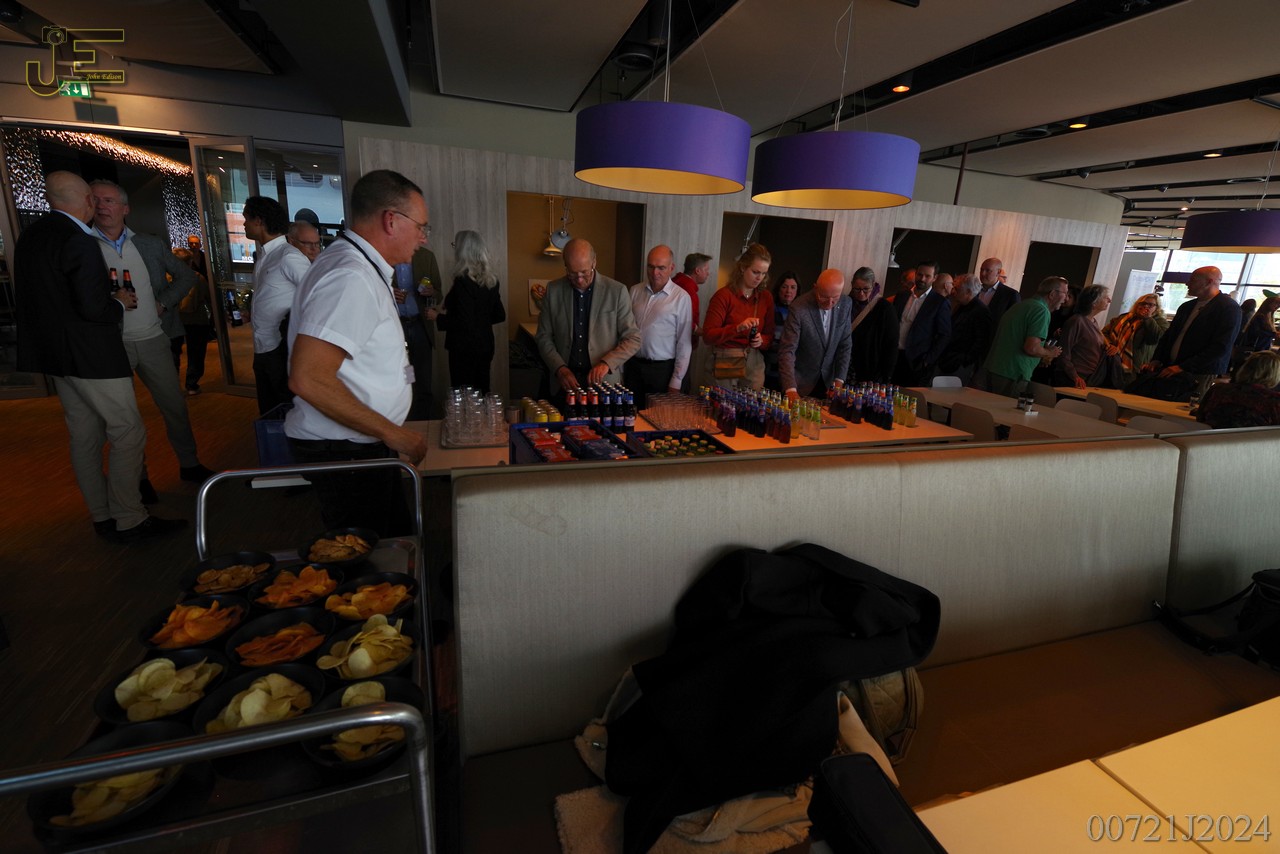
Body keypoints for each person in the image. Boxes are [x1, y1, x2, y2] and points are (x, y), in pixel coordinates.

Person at [14, 171, 183, 541]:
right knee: (128, 431)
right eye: (95, 198)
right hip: (92, 356)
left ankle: (102, 515)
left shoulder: (31, 235)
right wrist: (119, 302)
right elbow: (95, 309)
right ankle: (130, 517)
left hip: (57, 357)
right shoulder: (79, 240)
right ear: (87, 202)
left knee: (85, 436)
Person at [285, 169, 430, 536]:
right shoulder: (350, 276)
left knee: (394, 543)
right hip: (346, 450)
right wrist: (394, 434)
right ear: (391, 221)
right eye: (420, 226)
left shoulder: (357, 265)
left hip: (360, 444)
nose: (423, 238)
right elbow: (308, 378)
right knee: (370, 558)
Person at [89, 179, 214, 489]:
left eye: (108, 200)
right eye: (96, 200)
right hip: (111, 343)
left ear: (125, 208)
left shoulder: (149, 244)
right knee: (124, 418)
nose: (102, 206)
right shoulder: (83, 247)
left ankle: (189, 464)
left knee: (174, 406)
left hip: (153, 338)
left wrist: (164, 303)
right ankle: (139, 478)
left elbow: (187, 276)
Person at [535, 238, 641, 401]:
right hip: (564, 383)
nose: (579, 279)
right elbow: (543, 337)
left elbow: (633, 339)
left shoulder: (617, 291)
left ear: (594, 262)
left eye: (584, 272)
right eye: (572, 273)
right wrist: (559, 368)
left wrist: (607, 363)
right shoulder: (553, 290)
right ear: (565, 266)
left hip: (604, 385)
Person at [244, 195, 309, 415]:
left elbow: (316, 296)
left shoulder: (288, 256)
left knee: (285, 411)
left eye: (246, 218)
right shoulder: (265, 256)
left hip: (280, 349)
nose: (243, 224)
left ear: (258, 221)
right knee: (268, 411)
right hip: (262, 347)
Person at [428, 229, 506, 394]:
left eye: (455, 245)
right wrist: (480, 321)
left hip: (463, 348)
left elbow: (464, 322)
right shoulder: (491, 280)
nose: (454, 249)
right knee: (482, 392)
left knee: (463, 395)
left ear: (462, 250)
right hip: (485, 345)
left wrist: (437, 317)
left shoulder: (462, 281)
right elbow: (499, 315)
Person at [1141, 266, 1240, 396]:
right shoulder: (1187, 306)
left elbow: (1221, 346)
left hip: (1199, 372)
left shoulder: (1228, 308)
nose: (1187, 283)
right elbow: (1169, 336)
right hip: (1171, 368)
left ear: (1209, 282)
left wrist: (1183, 367)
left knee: (1186, 405)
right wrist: (1157, 359)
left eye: (1193, 280)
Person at [624, 245, 693, 408]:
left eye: (661, 268)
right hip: (633, 367)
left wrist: (676, 380)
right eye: (651, 267)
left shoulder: (681, 298)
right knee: (630, 415)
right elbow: (624, 331)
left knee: (656, 418)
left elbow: (684, 343)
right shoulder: (635, 291)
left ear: (671, 268)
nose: (655, 273)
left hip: (662, 371)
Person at [980, 275, 1068, 398]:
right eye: (1065, 293)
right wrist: (1049, 353)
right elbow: (1031, 348)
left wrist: (1041, 352)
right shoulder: (1041, 311)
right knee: (1005, 410)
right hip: (1013, 374)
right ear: (1052, 294)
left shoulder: (1021, 305)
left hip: (993, 368)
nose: (1066, 299)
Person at [703, 243, 775, 390]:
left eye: (764, 273)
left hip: (754, 360)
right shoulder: (724, 296)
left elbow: (770, 336)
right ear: (742, 268)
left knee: (753, 403)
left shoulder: (765, 297)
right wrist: (736, 328)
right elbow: (708, 336)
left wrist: (761, 341)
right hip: (727, 357)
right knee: (725, 403)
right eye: (755, 272)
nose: (759, 278)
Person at [779, 269, 852, 402]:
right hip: (800, 383)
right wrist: (790, 389)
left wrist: (839, 380)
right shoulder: (798, 307)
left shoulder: (846, 304)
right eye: (824, 297)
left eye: (835, 298)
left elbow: (845, 345)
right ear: (815, 288)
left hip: (829, 383)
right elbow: (787, 350)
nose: (829, 303)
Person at [892, 261, 951, 386]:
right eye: (920, 274)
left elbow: (944, 335)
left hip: (917, 361)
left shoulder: (939, 303)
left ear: (934, 278)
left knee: (909, 396)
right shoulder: (902, 296)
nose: (922, 279)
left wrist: (928, 360)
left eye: (927, 276)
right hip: (894, 355)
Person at [401, 245, 442, 416]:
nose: (423, 237)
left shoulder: (427, 256)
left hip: (420, 325)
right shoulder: (388, 256)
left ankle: (423, 419)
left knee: (423, 376)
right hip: (398, 326)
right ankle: (406, 416)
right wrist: (389, 293)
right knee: (405, 374)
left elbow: (439, 293)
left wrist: (432, 292)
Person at [1053, 284, 1118, 389]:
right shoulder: (1076, 321)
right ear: (1094, 303)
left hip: (1087, 379)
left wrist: (1111, 348)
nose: (1109, 300)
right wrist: (1074, 376)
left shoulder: (1093, 321)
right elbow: (1064, 352)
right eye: (1105, 298)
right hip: (1073, 379)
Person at [1196, 351, 1280, 429]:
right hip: (1249, 439)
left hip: (1210, 437)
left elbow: (1200, 418)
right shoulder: (1274, 401)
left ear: (1244, 368)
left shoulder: (1218, 389)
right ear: (1275, 375)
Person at [171, 246, 215, 396]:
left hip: (174, 320)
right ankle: (192, 384)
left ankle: (173, 385)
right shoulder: (197, 278)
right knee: (196, 352)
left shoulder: (166, 279)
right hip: (197, 320)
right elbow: (209, 298)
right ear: (189, 262)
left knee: (173, 352)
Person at [1101, 293, 1168, 388]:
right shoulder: (1124, 318)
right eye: (1143, 303)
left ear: (1156, 308)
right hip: (1112, 360)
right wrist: (1111, 344)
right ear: (1137, 304)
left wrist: (1148, 319)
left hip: (1135, 366)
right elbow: (1104, 333)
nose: (1146, 306)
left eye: (1150, 305)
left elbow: (1155, 339)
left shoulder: (1160, 322)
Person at [937, 273, 992, 385]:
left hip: (960, 364)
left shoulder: (981, 311)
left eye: (957, 289)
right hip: (949, 360)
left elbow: (981, 342)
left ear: (968, 292)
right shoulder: (961, 305)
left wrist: (964, 361)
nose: (953, 291)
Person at [846, 266, 898, 384]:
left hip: (871, 368)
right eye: (857, 289)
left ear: (873, 285)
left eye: (866, 289)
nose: (861, 293)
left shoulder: (885, 308)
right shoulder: (846, 303)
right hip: (847, 363)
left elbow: (891, 344)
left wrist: (886, 375)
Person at [764, 271, 798, 391]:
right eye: (784, 287)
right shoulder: (770, 309)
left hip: (792, 371)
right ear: (778, 289)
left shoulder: (800, 312)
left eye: (793, 287)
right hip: (769, 365)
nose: (788, 291)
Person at [671, 252, 709, 348]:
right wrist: (707, 333)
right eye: (706, 270)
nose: (708, 273)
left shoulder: (675, 282)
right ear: (697, 271)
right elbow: (686, 323)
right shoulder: (688, 290)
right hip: (679, 345)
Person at [976, 257, 1020, 329]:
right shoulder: (974, 290)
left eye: (988, 270)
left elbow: (1014, 322)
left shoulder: (1010, 295)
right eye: (981, 270)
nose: (983, 274)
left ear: (998, 272)